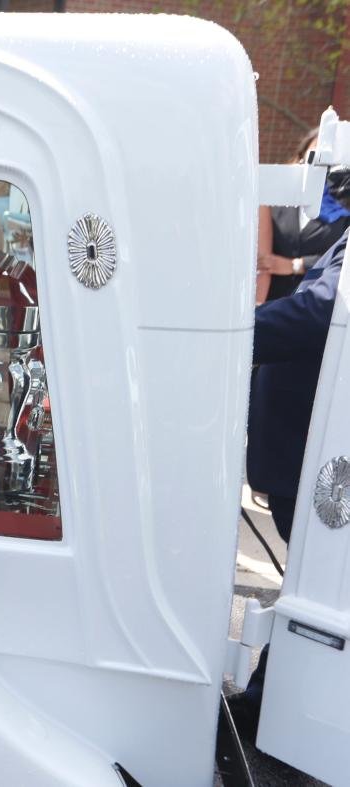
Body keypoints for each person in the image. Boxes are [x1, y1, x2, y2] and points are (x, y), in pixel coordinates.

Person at [232, 165, 350, 741]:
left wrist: (227, 333)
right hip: (303, 444)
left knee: (319, 578)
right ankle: (271, 707)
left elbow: (321, 310)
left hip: (322, 450)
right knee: (311, 577)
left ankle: (271, 711)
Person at [256, 129, 350, 304]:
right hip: (269, 300)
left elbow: (341, 256)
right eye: (315, 155)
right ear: (302, 156)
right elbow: (263, 259)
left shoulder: (344, 206)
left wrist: (296, 265)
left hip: (312, 303)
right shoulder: (274, 196)